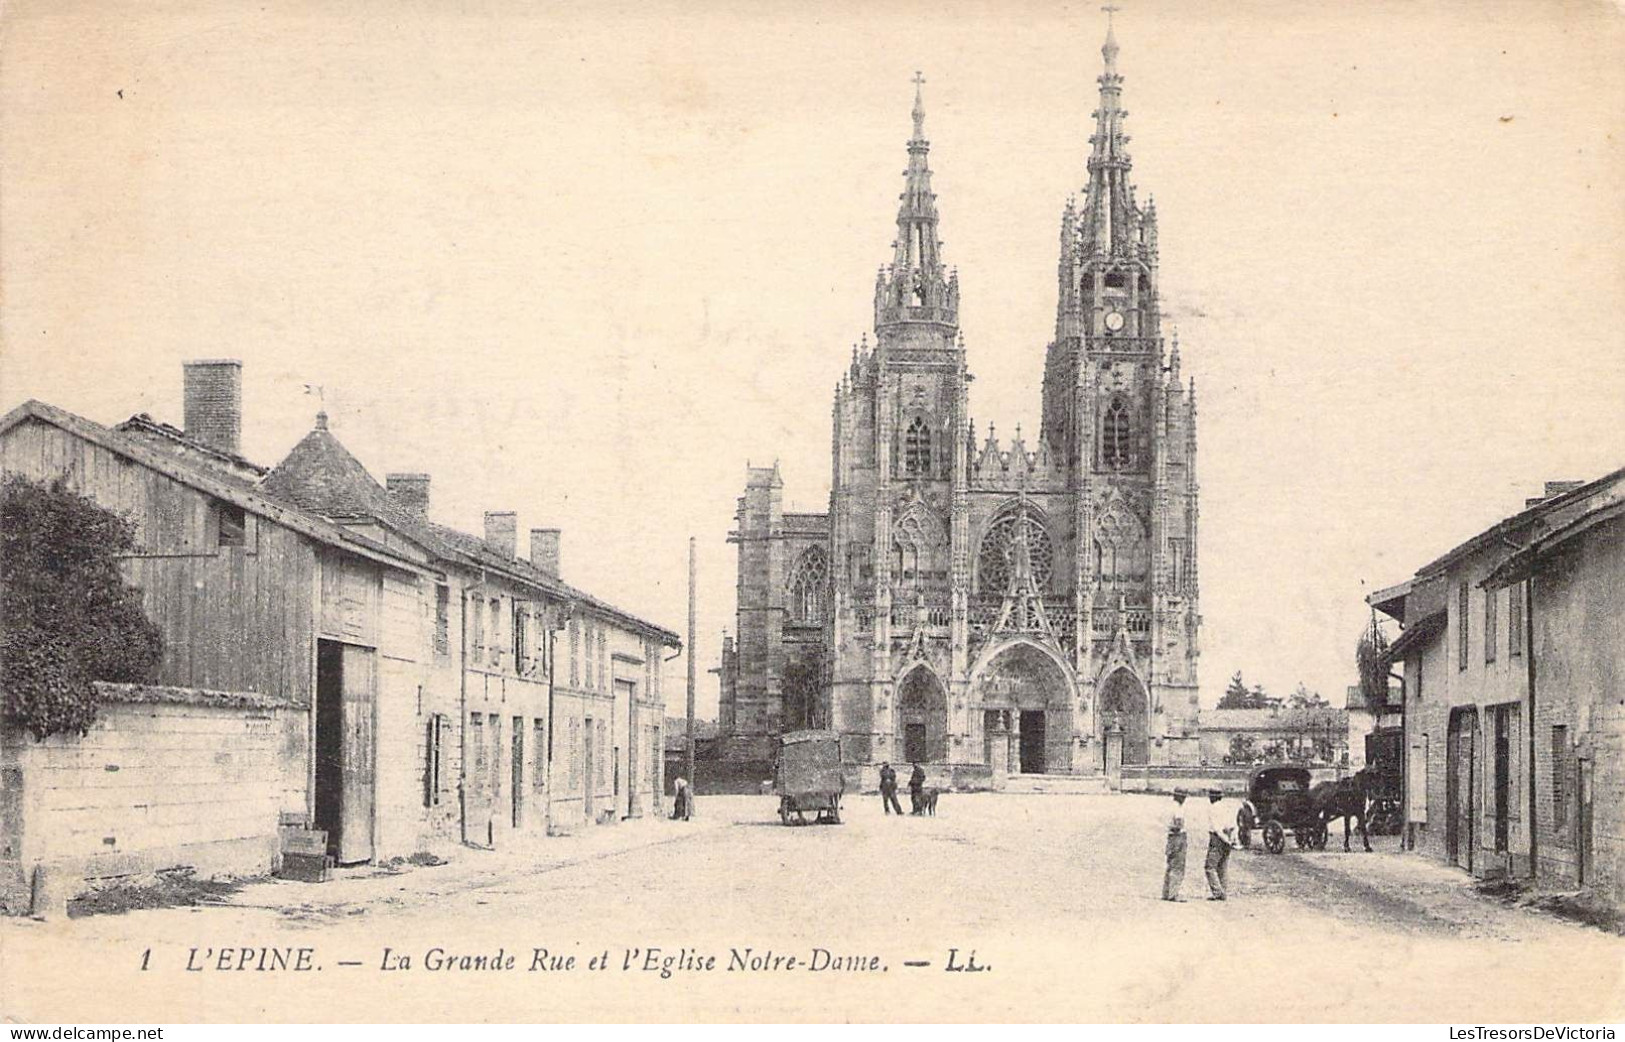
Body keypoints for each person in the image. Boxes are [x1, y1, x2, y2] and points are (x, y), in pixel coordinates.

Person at [1203, 787, 1236, 900]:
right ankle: (1223, 891)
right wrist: (1231, 840)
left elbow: (1217, 829)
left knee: (1210, 867)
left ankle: (1217, 892)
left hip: (1218, 838)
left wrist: (1225, 840)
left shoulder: (1212, 808)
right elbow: (1233, 824)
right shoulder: (1227, 807)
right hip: (1228, 835)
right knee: (1223, 866)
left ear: (1213, 797)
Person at [1162, 790, 1188, 901]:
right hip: (1178, 836)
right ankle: (1173, 894)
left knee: (1170, 865)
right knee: (1177, 866)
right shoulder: (1178, 808)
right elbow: (1178, 824)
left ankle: (1166, 893)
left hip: (1170, 837)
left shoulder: (1170, 806)